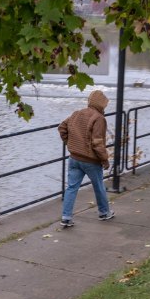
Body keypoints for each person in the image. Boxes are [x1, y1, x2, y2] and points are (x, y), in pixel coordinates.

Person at [57, 89, 115, 227]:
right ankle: (104, 213)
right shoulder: (99, 118)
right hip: (91, 161)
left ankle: (66, 217)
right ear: (100, 104)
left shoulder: (77, 113)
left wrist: (69, 142)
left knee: (71, 187)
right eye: (105, 104)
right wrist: (105, 160)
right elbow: (97, 142)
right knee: (99, 186)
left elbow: (62, 128)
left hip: (74, 158)